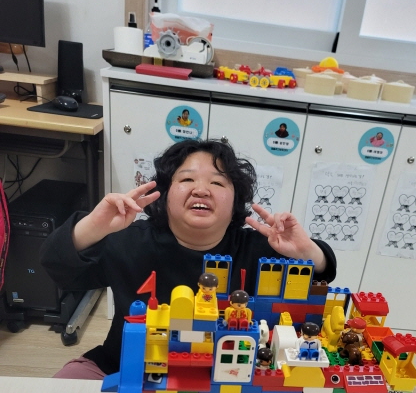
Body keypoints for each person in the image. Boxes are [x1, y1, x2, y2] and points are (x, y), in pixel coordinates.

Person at [40, 139, 336, 379]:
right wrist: (94, 226)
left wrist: (308, 253)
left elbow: (321, 277)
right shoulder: (130, 241)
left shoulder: (258, 250)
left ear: (235, 202)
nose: (201, 189)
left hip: (230, 379)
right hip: (123, 368)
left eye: (218, 183)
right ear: (165, 195)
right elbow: (57, 266)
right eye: (187, 178)